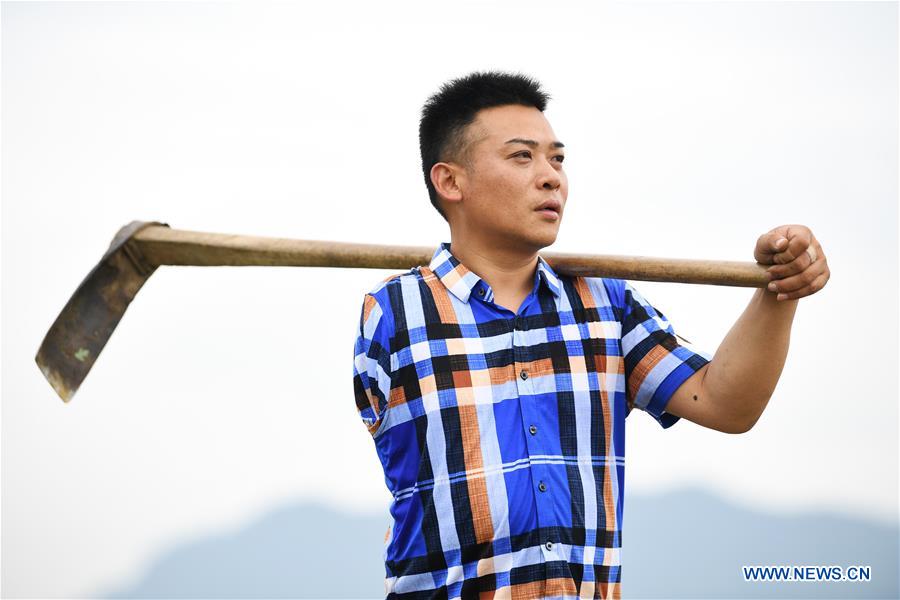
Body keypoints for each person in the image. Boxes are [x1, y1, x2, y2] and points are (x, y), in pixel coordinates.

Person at [351, 71, 829, 600]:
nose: (551, 177)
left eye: (557, 159)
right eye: (521, 157)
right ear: (450, 182)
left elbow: (726, 402)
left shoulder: (605, 305)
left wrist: (780, 291)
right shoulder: (397, 312)